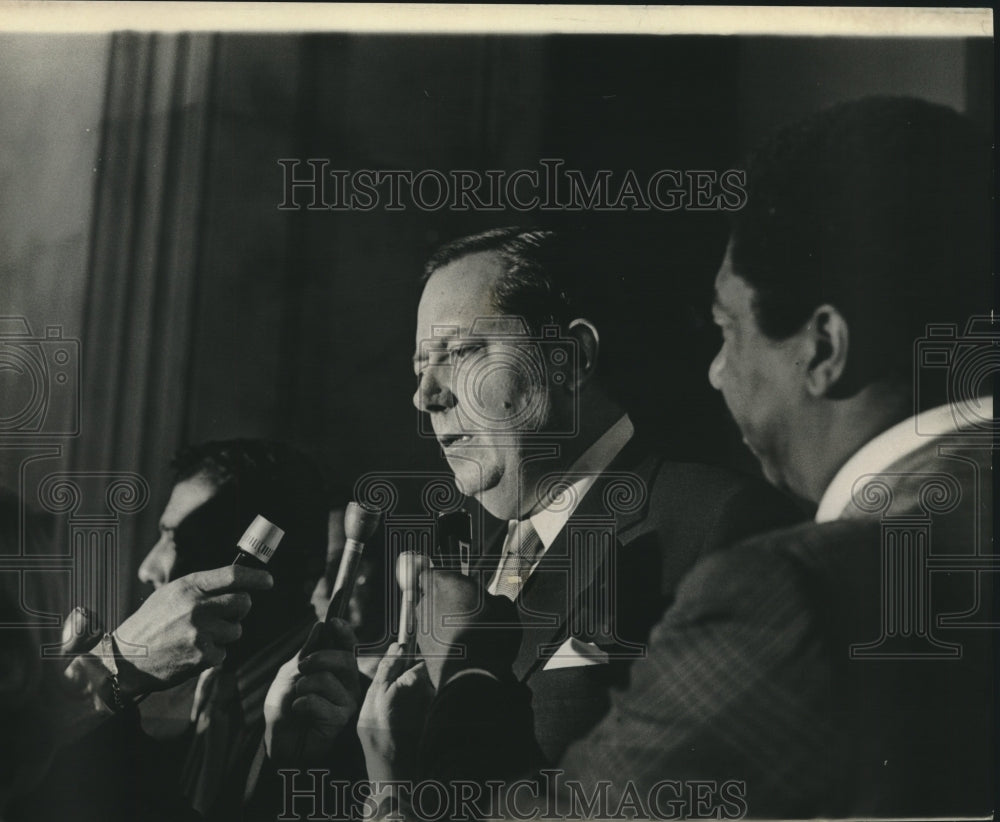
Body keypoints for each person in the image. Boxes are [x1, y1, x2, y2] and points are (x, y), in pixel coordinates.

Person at [405, 96, 994, 818]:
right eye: (417, 367)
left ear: (825, 349)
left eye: (728, 329)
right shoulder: (464, 557)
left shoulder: (764, 565)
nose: (717, 372)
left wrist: (459, 680)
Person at [264, 227, 802, 790]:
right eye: (420, 365)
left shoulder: (724, 526)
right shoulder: (479, 565)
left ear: (571, 359)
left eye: (462, 353)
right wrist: (325, 752)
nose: (425, 396)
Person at [10, 439, 331, 822]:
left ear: (285, 568)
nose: (148, 567)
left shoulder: (355, 729)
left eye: (185, 541)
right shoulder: (143, 704)